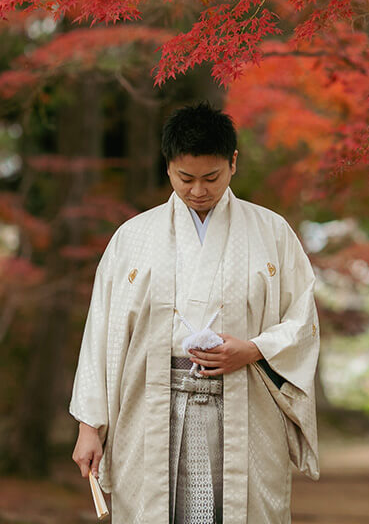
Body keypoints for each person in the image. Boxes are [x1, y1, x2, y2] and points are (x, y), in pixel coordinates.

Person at [69, 102, 320, 524]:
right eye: (186, 178)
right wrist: (89, 426)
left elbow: (302, 320)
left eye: (211, 177)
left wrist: (254, 349)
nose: (198, 191)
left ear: (233, 163)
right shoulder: (133, 238)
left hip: (246, 408)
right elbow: (101, 334)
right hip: (150, 410)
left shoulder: (271, 232)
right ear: (167, 167)